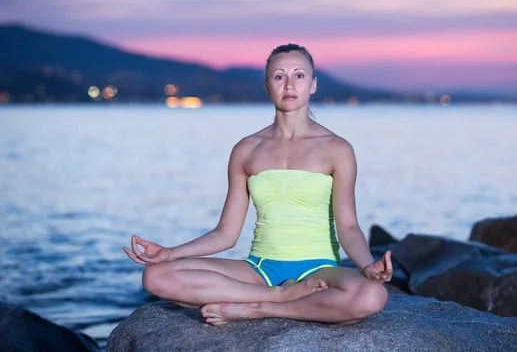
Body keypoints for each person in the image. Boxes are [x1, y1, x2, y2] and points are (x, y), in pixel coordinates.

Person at [123, 43, 393, 326]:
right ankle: (278, 297)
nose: (289, 84)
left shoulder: (337, 149)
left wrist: (367, 266)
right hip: (259, 270)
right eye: (279, 77)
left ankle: (255, 309)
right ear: (268, 86)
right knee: (156, 275)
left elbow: (348, 227)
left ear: (313, 85)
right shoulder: (246, 149)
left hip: (320, 270)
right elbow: (226, 234)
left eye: (299, 76)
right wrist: (170, 253)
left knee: (372, 296)